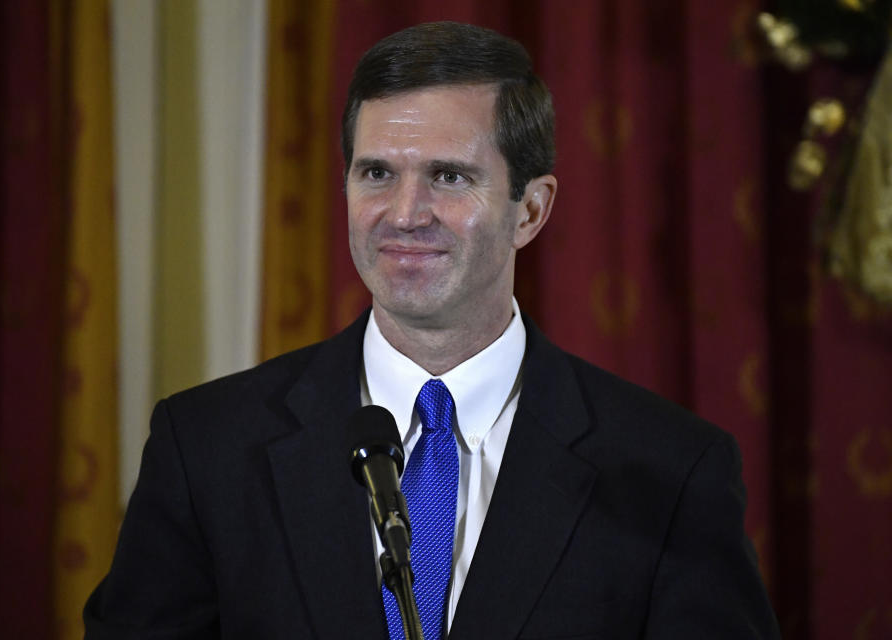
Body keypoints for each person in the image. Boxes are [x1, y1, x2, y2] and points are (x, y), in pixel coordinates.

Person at [85, 21, 780, 639]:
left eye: (448, 176)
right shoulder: (206, 447)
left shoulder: (672, 471)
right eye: (377, 173)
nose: (405, 213)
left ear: (530, 210)